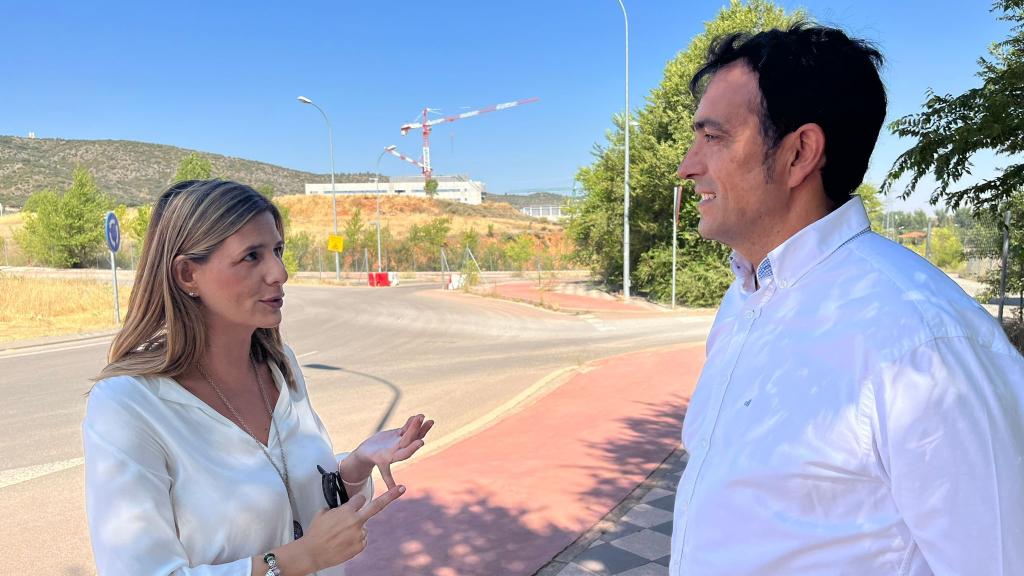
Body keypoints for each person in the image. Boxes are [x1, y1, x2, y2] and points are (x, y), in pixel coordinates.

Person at [671, 23, 1024, 575]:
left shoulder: (923, 342)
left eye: (713, 138)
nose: (687, 166)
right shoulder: (744, 299)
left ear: (799, 154)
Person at [84, 179, 434, 576]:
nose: (279, 273)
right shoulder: (129, 405)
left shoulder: (281, 366)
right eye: (252, 256)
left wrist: (356, 466)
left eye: (278, 251)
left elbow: (296, 498)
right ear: (186, 275)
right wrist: (302, 558)